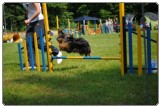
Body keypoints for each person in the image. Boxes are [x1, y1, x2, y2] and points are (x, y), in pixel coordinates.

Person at [22, 3, 62, 67]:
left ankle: (57, 52)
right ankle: (32, 63)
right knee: (28, 42)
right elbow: (27, 10)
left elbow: (38, 10)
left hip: (38, 21)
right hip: (30, 22)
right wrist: (26, 18)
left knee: (38, 43)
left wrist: (29, 19)